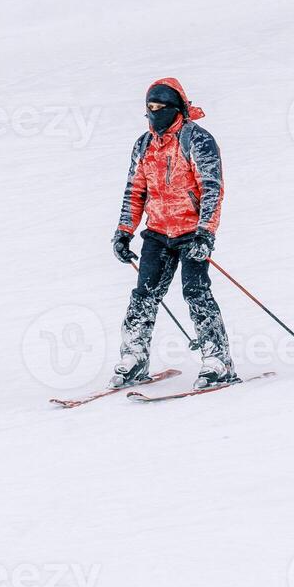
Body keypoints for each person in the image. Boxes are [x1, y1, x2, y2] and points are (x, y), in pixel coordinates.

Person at [110, 78, 237, 390]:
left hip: (191, 233)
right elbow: (135, 190)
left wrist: (206, 234)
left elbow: (212, 190)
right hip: (157, 232)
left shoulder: (197, 140)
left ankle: (217, 360)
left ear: (177, 109)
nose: (155, 114)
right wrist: (124, 232)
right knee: (144, 296)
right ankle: (134, 358)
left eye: (161, 108)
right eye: (150, 109)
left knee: (196, 293)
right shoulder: (144, 144)